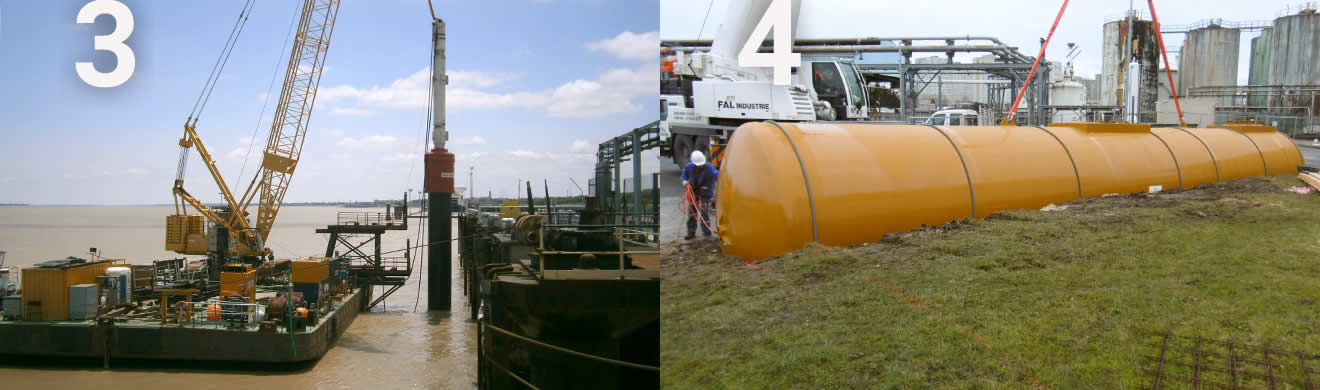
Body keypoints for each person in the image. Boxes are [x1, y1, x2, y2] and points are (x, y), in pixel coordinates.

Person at [681, 150, 718, 240]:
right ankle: (691, 232)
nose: (700, 165)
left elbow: (717, 175)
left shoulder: (709, 168)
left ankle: (706, 233)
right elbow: (684, 174)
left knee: (704, 212)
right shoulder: (689, 167)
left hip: (705, 192)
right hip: (694, 191)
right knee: (692, 212)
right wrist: (684, 180)